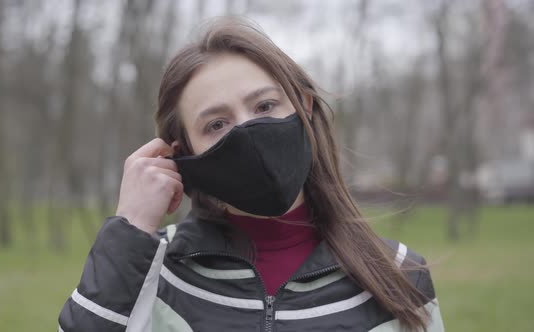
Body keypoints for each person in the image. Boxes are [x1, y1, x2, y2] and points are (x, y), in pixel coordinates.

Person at [58, 17, 445, 332]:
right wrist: (130, 230)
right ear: (184, 153)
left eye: (265, 105)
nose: (248, 132)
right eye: (217, 124)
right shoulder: (150, 274)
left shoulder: (401, 275)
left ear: (303, 106)